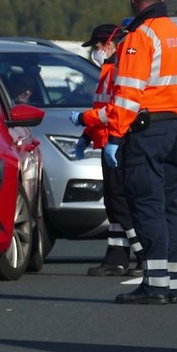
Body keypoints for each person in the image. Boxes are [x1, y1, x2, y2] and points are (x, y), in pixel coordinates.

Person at [103, 0, 177, 305]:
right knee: (170, 207)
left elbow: (127, 95)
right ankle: (171, 283)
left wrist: (114, 136)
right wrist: (175, 121)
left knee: (147, 207)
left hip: (146, 131)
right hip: (173, 128)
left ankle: (155, 286)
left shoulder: (140, 37)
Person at [70, 23, 144, 276]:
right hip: (106, 140)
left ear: (110, 44)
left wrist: (84, 119)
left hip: (119, 141)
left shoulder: (119, 71)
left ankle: (143, 253)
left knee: (121, 203)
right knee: (114, 205)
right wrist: (87, 135)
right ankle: (116, 257)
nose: (96, 52)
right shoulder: (108, 70)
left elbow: (114, 111)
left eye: (98, 46)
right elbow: (103, 107)